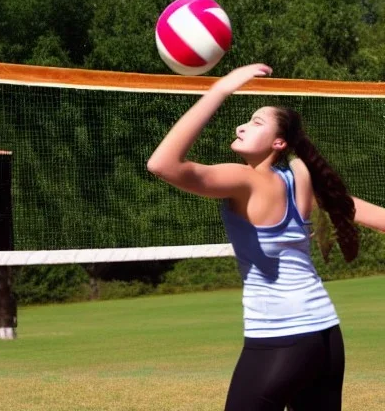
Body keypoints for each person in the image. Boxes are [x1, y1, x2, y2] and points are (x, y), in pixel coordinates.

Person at [147, 63, 385, 411]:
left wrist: (220, 89)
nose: (241, 126)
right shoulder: (300, 178)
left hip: (281, 337)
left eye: (256, 122)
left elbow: (161, 164)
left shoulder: (246, 179)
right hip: (325, 335)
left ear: (278, 142)